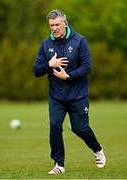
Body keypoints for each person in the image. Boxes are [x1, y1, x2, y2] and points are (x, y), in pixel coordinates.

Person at [33, 9, 106, 174]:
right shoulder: (46, 45)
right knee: (55, 125)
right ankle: (59, 164)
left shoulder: (80, 41)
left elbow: (87, 67)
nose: (54, 28)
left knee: (80, 128)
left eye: (57, 24)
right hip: (56, 96)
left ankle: (97, 149)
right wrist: (48, 65)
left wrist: (69, 76)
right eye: (51, 25)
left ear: (65, 24)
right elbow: (36, 70)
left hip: (78, 95)